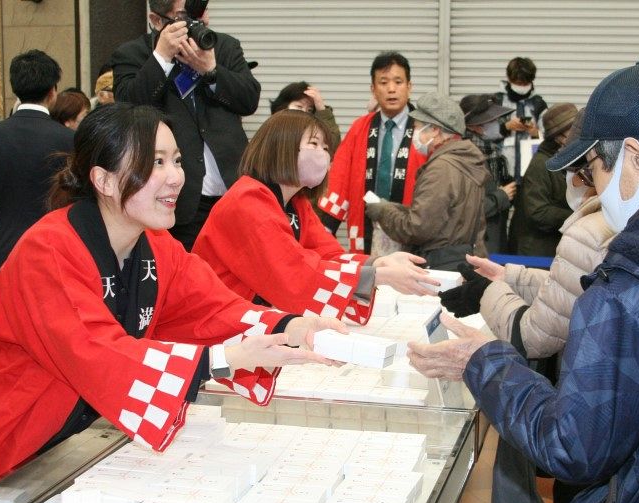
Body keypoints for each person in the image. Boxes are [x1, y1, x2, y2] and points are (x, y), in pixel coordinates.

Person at [409, 62, 639, 503]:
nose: (589, 188)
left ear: (635, 156)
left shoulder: (627, 291)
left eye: (592, 170)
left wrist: (483, 361)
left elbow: (576, 447)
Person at [0, 103, 345, 503]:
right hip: (6, 445)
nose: (176, 177)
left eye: (176, 160)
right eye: (155, 162)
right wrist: (222, 358)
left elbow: (213, 308)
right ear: (103, 180)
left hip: (65, 442)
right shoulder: (48, 250)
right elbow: (97, 351)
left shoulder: (156, 245)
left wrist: (291, 327)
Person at [442, 109, 615, 503]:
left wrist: (485, 293)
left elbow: (532, 336)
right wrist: (510, 276)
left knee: (575, 496)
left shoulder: (591, 228)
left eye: (580, 171)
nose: (574, 182)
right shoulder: (615, 221)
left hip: (586, 404)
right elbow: (570, 285)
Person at [192, 110, 437, 324]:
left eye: (327, 148)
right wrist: (377, 276)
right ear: (282, 145)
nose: (324, 155)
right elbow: (293, 275)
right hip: (219, 321)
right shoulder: (247, 201)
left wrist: (377, 264)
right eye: (314, 144)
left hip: (252, 318)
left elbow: (328, 255)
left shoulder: (296, 202)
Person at [111, 0, 261, 251]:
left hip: (232, 193)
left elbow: (249, 100)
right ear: (157, 20)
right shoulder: (132, 54)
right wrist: (161, 58)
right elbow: (129, 108)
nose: (199, 22)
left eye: (201, 14)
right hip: (178, 201)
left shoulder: (222, 46)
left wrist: (211, 70)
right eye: (185, 16)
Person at [0, 49, 74, 279]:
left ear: (15, 88)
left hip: (6, 252)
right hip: (57, 251)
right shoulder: (69, 139)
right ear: (52, 91)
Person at [318, 51, 426, 254]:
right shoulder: (360, 128)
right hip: (367, 225)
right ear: (373, 90)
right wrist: (325, 229)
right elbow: (339, 179)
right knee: (369, 280)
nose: (391, 89)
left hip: (412, 227)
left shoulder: (425, 130)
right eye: (383, 83)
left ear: (409, 87)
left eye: (398, 81)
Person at [364, 92, 487, 271]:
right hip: (465, 262)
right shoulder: (466, 161)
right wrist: (398, 209)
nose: (413, 134)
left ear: (435, 130)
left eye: (417, 127)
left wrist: (383, 211)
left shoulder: (441, 168)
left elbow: (417, 228)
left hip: (441, 267)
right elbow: (448, 217)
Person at [507, 103, 577, 256]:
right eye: (574, 131)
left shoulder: (563, 160)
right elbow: (538, 212)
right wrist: (577, 215)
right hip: (535, 252)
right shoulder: (542, 164)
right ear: (559, 137)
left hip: (548, 247)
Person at [460, 93, 515, 254]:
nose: (497, 124)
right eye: (491, 120)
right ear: (475, 124)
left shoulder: (492, 153)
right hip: (477, 244)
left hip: (492, 237)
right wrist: (501, 197)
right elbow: (465, 208)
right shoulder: (466, 155)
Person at [495, 57, 548, 183]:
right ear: (509, 78)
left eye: (525, 83)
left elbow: (550, 139)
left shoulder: (538, 104)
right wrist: (506, 127)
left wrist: (535, 133)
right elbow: (485, 133)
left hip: (531, 173)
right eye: (518, 83)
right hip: (502, 171)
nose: (522, 87)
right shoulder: (497, 102)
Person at [270, 81, 341, 150]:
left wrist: (322, 110)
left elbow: (332, 147)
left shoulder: (312, 131)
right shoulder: (272, 129)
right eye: (299, 106)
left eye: (309, 110)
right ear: (284, 106)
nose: (304, 112)